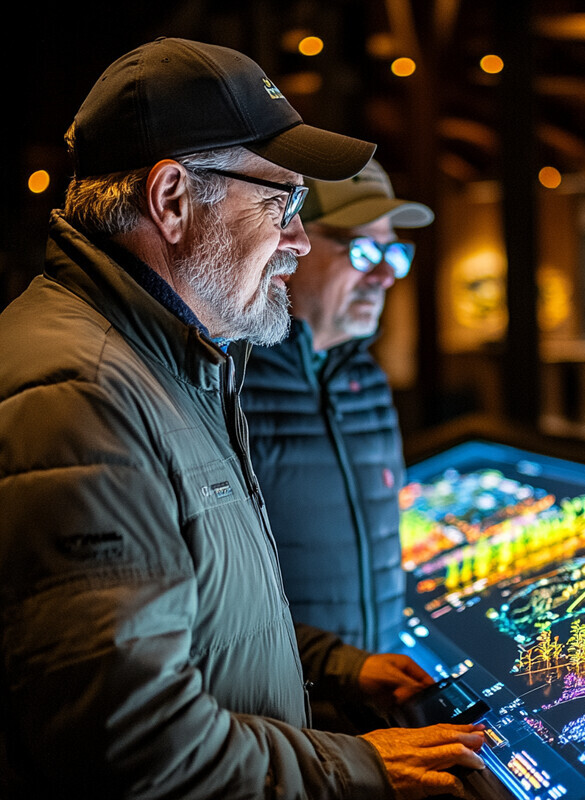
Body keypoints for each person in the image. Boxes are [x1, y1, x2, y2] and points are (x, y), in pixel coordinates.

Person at [0, 37, 485, 799]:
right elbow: (133, 741)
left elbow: (206, 624)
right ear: (170, 201)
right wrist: (362, 768)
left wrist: (334, 669)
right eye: (280, 202)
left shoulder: (175, 365)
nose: (297, 238)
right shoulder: (81, 392)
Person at [242, 160, 432, 660]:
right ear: (293, 244)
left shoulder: (367, 380)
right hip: (282, 713)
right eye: (364, 249)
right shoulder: (232, 381)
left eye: (395, 252)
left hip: (375, 704)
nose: (385, 274)